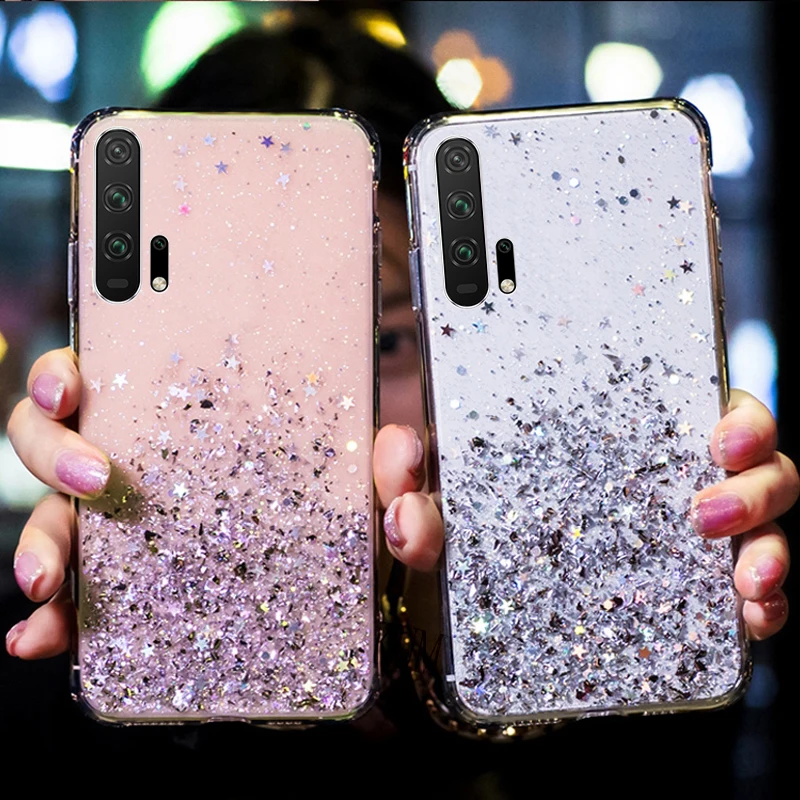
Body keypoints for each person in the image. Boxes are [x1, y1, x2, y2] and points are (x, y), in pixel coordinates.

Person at [3, 11, 797, 794]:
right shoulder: (62, 637)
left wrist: (461, 651)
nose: (330, 429)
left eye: (383, 342)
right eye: (238, 362)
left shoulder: (607, 610)